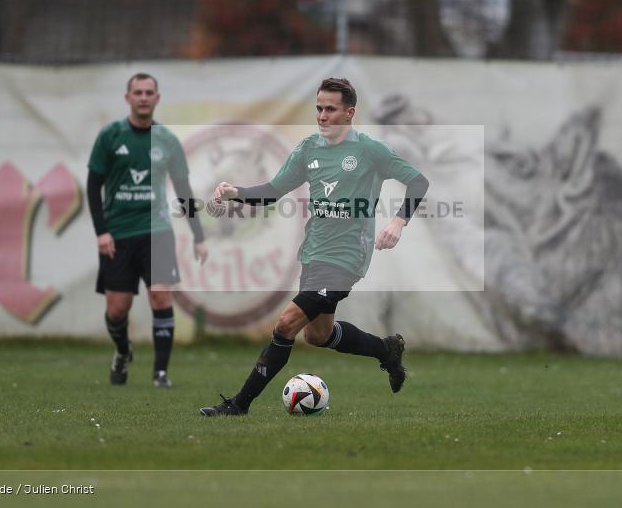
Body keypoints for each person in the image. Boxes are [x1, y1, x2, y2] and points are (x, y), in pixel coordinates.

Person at [199, 77, 429, 416]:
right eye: (319, 108)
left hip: (348, 256)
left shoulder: (369, 150)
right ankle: (386, 350)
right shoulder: (308, 149)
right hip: (315, 253)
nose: (322, 116)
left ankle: (238, 404)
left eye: (331, 109)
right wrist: (237, 193)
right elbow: (273, 191)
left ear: (350, 113)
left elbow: (418, 181)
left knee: (286, 324)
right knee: (318, 336)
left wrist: (398, 221)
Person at [87, 73, 208, 388]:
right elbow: (92, 185)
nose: (143, 97)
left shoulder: (167, 140)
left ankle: (161, 373)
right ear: (127, 98)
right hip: (118, 233)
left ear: (157, 98)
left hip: (157, 231)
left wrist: (199, 235)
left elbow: (183, 189)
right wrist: (101, 231)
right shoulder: (110, 136)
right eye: (137, 92)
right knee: (117, 309)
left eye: (149, 92)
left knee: (160, 296)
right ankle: (123, 352)